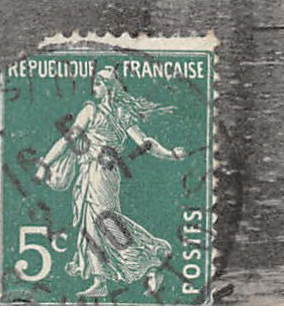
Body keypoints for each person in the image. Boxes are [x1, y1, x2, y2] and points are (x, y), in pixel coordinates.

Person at [35, 67, 186, 298]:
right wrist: (170, 154)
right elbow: (144, 142)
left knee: (105, 221)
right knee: (92, 224)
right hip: (93, 173)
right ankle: (101, 280)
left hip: (100, 173)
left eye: (97, 84)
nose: (93, 88)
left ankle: (151, 259)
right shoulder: (114, 112)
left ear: (108, 87)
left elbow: (143, 142)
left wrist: (169, 154)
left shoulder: (93, 111)